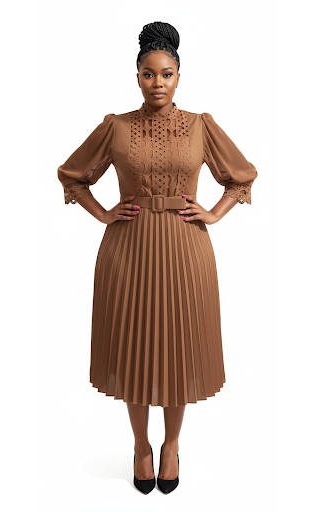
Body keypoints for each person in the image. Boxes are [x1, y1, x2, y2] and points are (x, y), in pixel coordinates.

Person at [57, 21, 257, 494]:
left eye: (167, 74)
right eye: (148, 74)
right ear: (137, 77)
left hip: (186, 250)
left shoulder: (201, 125)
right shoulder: (117, 126)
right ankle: (140, 447)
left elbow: (242, 176)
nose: (158, 83)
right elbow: (72, 175)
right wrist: (103, 213)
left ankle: (171, 445)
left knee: (177, 349)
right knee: (134, 350)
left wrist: (215, 213)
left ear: (179, 76)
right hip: (129, 250)